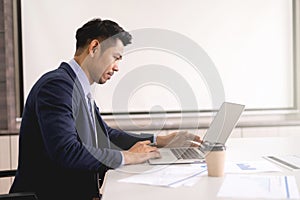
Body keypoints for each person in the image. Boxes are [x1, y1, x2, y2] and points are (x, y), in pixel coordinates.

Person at [9, 18, 201, 200]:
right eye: (115, 57)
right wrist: (126, 157)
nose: (117, 67)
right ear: (94, 47)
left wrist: (159, 140)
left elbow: (105, 135)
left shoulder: (78, 86)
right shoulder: (57, 87)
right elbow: (67, 151)